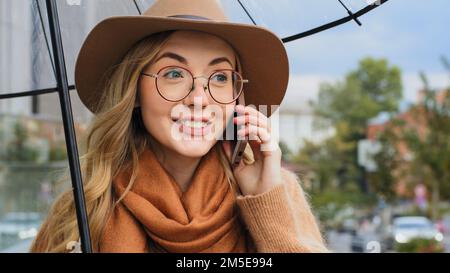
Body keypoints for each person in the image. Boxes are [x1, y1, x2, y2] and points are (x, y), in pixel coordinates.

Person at [30, 0, 328, 253]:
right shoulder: (83, 206)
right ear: (134, 91)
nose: (199, 99)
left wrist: (267, 207)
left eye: (221, 77)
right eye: (174, 73)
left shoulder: (277, 190)